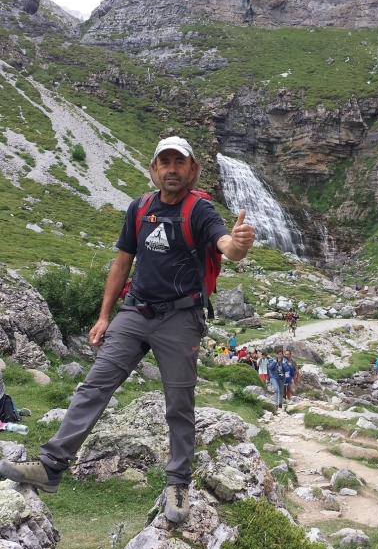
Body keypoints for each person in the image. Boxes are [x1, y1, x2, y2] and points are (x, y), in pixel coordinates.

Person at [0, 136, 255, 524]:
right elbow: (121, 264)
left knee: (179, 404)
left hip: (181, 317)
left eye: (179, 162)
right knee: (94, 386)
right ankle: (50, 467)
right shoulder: (139, 208)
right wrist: (104, 316)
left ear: (193, 169)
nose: (171, 169)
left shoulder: (200, 209)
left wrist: (238, 245)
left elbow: (226, 245)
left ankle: (178, 483)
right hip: (135, 311)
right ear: (154, 169)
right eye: (164, 162)